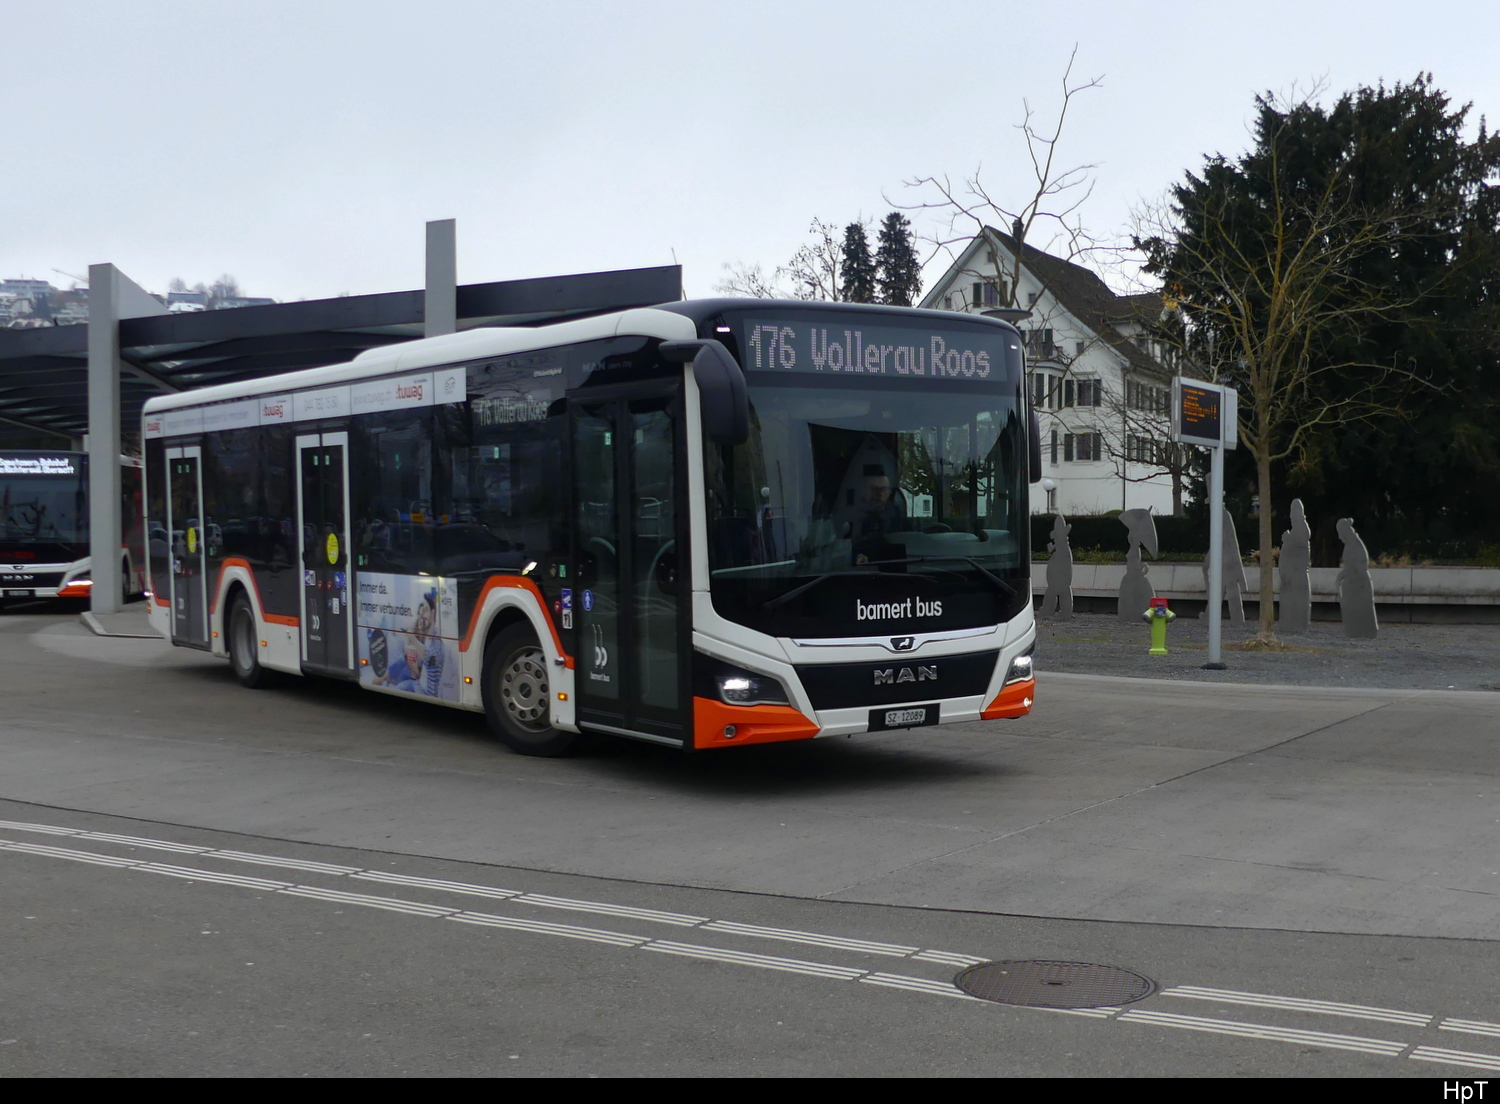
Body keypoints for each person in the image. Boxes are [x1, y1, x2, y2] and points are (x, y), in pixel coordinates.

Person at [847, 464, 907, 564]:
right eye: (874, 489)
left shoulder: (897, 516)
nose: (879, 494)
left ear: (889, 492)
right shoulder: (851, 515)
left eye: (883, 489)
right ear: (863, 490)